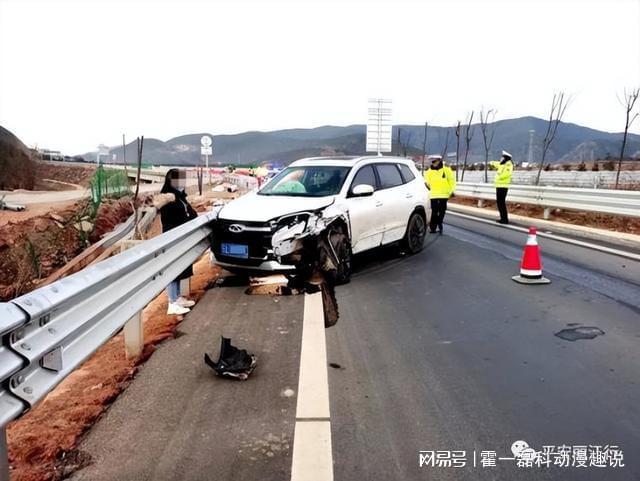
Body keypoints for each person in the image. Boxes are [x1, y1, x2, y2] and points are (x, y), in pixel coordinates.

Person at [153, 169, 198, 315]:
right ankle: (172, 302)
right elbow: (172, 221)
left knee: (179, 268)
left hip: (181, 238)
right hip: (173, 239)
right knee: (173, 270)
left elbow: (191, 214)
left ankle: (177, 298)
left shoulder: (180, 198)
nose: (181, 184)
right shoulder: (167, 199)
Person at [424, 155, 456, 234]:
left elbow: (452, 181)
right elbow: (426, 182)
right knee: (434, 211)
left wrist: (452, 191)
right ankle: (433, 228)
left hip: (444, 194)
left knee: (442, 211)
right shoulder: (428, 172)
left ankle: (440, 222)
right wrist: (427, 186)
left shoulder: (447, 170)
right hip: (433, 194)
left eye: (435, 161)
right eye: (432, 161)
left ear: (439, 160)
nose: (434, 163)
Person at [489, 150, 514, 224]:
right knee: (499, 203)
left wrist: (499, 177)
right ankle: (502, 218)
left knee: (501, 203)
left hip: (503, 186)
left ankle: (504, 219)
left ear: (506, 158)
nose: (501, 158)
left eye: (502, 157)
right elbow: (497, 164)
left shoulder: (508, 165)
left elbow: (507, 174)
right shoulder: (502, 164)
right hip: (499, 185)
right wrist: (492, 163)